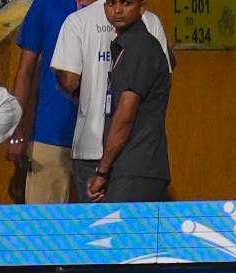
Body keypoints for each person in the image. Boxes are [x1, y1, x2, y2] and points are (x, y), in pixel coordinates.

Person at [48, 0, 170, 201]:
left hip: (134, 162)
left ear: (141, 7)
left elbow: (125, 115)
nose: (118, 10)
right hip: (121, 161)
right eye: (111, 3)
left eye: (126, 3)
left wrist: (102, 172)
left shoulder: (140, 45)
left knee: (121, 231)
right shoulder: (126, 44)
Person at [7, 0, 85, 203]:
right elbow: (24, 72)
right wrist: (16, 129)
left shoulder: (115, 8)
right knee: (42, 231)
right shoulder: (46, 4)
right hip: (48, 138)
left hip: (101, 144)